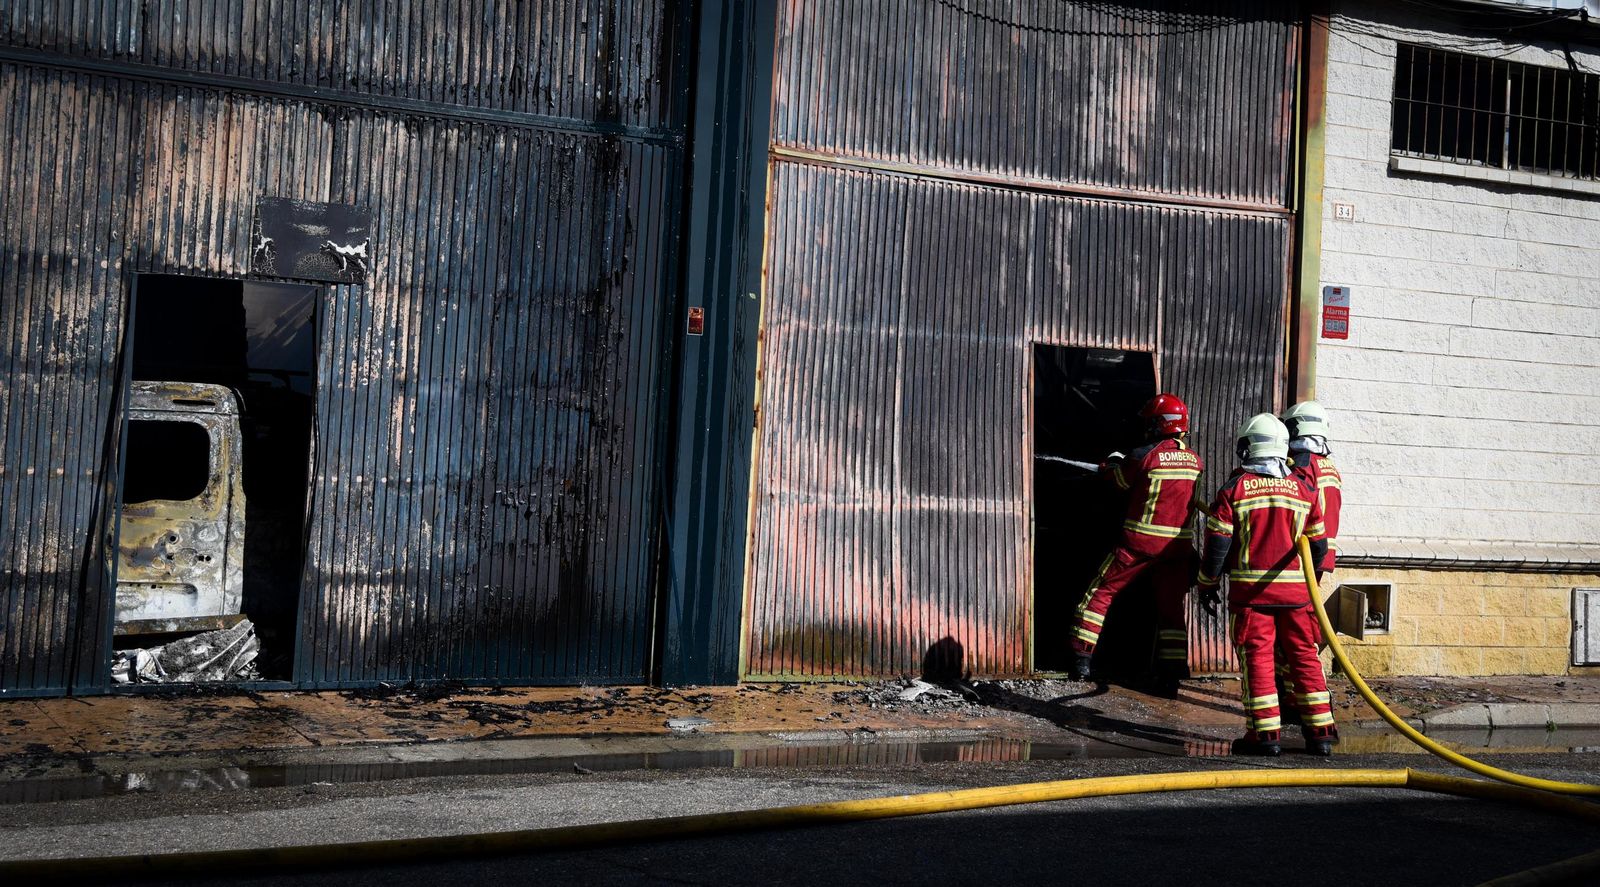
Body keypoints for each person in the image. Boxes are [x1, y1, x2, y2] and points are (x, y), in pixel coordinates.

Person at [1196, 413, 1336, 757]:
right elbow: (1318, 546)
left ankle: (1265, 736)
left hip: (1252, 598)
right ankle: (1320, 734)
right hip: (1298, 598)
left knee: (1258, 661)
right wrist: (1307, 585)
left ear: (1249, 446)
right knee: (1304, 657)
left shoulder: (1234, 489)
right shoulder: (1304, 490)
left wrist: (1207, 583)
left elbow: (1218, 546)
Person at [1070, 393, 1203, 696]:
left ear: (1159, 424)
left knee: (1100, 593)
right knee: (1171, 610)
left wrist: (1112, 464)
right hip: (1177, 550)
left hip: (1138, 545)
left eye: (1150, 422)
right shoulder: (1196, 461)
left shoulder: (1145, 455)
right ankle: (1171, 676)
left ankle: (1081, 659)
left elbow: (1119, 483)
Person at [1283, 401, 1341, 580]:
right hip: (1321, 550)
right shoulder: (1328, 465)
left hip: (1303, 552)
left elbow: (1295, 506)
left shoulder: (1302, 465)